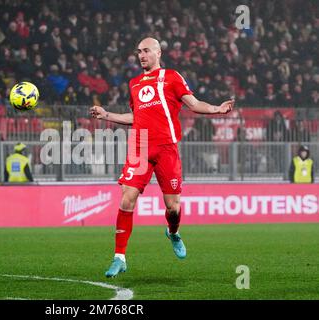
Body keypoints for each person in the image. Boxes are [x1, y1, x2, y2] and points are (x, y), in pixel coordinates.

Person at [90, 37, 234, 278]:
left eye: (146, 50)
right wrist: (107, 115)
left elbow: (193, 103)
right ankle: (119, 257)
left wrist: (216, 109)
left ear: (158, 52)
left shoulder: (172, 77)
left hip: (167, 147)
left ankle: (173, 232)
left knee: (173, 208)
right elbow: (136, 117)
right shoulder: (134, 83)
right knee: (127, 199)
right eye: (139, 52)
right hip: (141, 145)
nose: (141, 55)